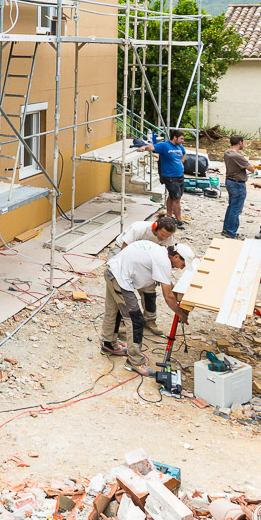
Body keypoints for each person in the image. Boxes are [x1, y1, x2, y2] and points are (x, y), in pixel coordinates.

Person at [100, 240, 189, 370]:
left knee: (113, 311)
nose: (182, 267)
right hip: (120, 280)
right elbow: (167, 296)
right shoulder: (163, 261)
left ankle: (108, 344)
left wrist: (176, 293)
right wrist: (180, 314)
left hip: (112, 271)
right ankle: (135, 361)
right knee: (135, 320)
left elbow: (167, 283)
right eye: (183, 264)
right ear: (176, 256)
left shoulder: (159, 251)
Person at [115, 216, 180, 336]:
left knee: (149, 288)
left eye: (167, 236)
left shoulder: (168, 238)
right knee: (123, 288)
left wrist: (164, 278)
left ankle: (150, 320)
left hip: (146, 258)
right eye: (161, 234)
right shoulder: (138, 229)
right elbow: (123, 250)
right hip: (123, 252)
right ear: (155, 227)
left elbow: (165, 257)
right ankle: (124, 320)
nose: (163, 238)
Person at [135, 130, 187, 221]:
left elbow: (184, 152)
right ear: (175, 137)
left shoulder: (180, 146)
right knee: (176, 199)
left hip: (180, 175)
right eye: (181, 139)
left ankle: (169, 215)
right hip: (170, 176)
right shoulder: (164, 145)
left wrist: (182, 160)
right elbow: (152, 147)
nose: (183, 141)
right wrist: (144, 147)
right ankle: (179, 220)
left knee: (172, 196)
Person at [221, 135, 254, 239]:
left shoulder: (227, 152)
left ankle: (226, 229)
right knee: (236, 209)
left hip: (230, 181)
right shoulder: (238, 157)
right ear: (240, 142)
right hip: (238, 183)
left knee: (231, 206)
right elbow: (252, 169)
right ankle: (231, 232)